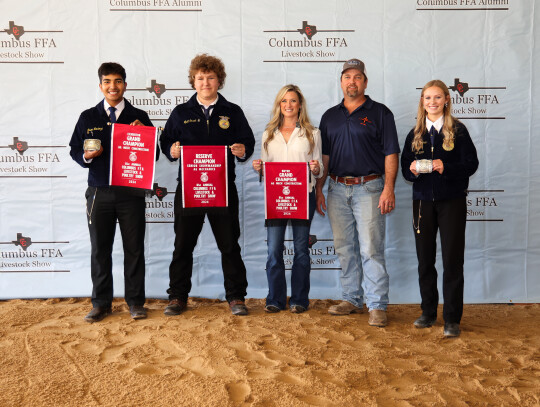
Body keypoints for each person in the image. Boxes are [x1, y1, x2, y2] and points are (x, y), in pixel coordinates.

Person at [160, 54, 255, 316]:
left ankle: (236, 297)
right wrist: (172, 150)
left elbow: (248, 142)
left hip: (223, 190)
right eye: (200, 78)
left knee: (229, 245)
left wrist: (242, 149)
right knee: (183, 245)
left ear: (219, 81)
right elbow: (165, 141)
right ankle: (177, 296)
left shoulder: (232, 112)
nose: (205, 82)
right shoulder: (181, 113)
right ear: (193, 81)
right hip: (189, 190)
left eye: (210, 78)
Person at [69, 62, 158, 322]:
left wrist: (146, 137)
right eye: (107, 81)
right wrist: (85, 156)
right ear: (100, 86)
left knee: (134, 249)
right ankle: (101, 303)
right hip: (99, 193)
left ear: (125, 85)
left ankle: (135, 302)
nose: (113, 86)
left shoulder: (138, 115)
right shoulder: (88, 116)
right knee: (100, 249)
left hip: (131, 193)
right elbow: (75, 149)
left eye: (118, 81)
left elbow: (155, 154)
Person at [315, 58, 400, 327]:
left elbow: (391, 152)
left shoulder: (380, 113)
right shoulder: (329, 116)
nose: (352, 81)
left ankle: (376, 304)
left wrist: (389, 188)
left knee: (371, 249)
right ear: (341, 82)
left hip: (370, 187)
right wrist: (319, 188)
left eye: (357, 77)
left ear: (365, 81)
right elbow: (325, 157)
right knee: (344, 248)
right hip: (337, 188)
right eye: (347, 77)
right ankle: (351, 298)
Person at [401, 80, 478, 337]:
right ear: (422, 102)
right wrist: (412, 171)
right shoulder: (415, 134)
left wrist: (447, 167)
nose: (432, 102)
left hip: (451, 202)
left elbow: (471, 164)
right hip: (422, 203)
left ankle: (452, 319)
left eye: (436, 97)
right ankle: (428, 312)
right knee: (425, 260)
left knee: (452, 260)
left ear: (446, 99)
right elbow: (405, 168)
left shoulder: (458, 130)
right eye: (427, 98)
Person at [252, 84, 323, 314]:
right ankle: (275, 298)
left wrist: (315, 168)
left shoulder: (312, 133)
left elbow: (319, 168)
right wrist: (258, 167)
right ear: (279, 105)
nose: (289, 105)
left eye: (293, 101)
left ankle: (300, 299)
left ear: (300, 105)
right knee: (274, 249)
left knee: (301, 249)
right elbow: (265, 167)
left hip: (303, 196)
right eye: (284, 101)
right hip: (276, 199)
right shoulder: (268, 133)